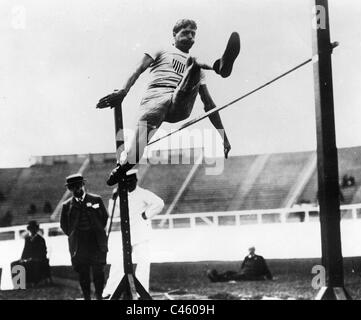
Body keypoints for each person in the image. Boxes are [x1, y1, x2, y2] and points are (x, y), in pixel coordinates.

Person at [97, 19, 240, 185]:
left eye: (193, 34)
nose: (190, 37)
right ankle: (121, 169)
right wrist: (123, 91)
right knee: (135, 151)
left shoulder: (196, 66)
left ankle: (220, 67)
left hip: (179, 101)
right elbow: (138, 69)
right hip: (155, 98)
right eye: (186, 32)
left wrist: (223, 135)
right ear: (174, 34)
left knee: (194, 63)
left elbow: (209, 104)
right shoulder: (161, 49)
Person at [102, 169, 164, 299]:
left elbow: (159, 203)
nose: (129, 183)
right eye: (127, 181)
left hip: (141, 234)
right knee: (118, 262)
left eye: (132, 181)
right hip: (126, 235)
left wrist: (146, 215)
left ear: (136, 180)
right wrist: (113, 199)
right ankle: (110, 290)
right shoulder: (121, 195)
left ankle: (141, 292)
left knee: (143, 262)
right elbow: (114, 213)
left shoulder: (143, 193)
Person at [60, 173, 109, 300]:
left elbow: (104, 217)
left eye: (78, 185)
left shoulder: (96, 199)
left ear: (83, 184)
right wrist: (74, 235)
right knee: (83, 273)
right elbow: (64, 225)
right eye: (72, 187)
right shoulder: (66, 206)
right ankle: (87, 297)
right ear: (69, 189)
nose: (76, 189)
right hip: (79, 245)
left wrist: (97, 230)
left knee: (98, 272)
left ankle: (99, 296)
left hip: (96, 242)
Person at [10, 220, 51, 287]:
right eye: (31, 228)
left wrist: (32, 258)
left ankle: (33, 282)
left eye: (34, 228)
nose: (32, 230)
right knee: (14, 263)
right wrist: (22, 259)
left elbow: (43, 252)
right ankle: (18, 284)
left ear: (36, 229)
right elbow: (25, 250)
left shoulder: (40, 239)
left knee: (33, 263)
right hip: (28, 259)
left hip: (38, 259)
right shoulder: (27, 239)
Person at [207, 246, 273, 282]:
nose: (250, 251)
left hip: (251, 275)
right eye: (249, 250)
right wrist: (240, 272)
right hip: (244, 273)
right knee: (229, 272)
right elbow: (242, 267)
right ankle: (217, 276)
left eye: (251, 250)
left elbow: (265, 268)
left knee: (233, 277)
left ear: (254, 250)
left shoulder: (259, 258)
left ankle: (217, 279)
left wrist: (269, 276)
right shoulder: (246, 258)